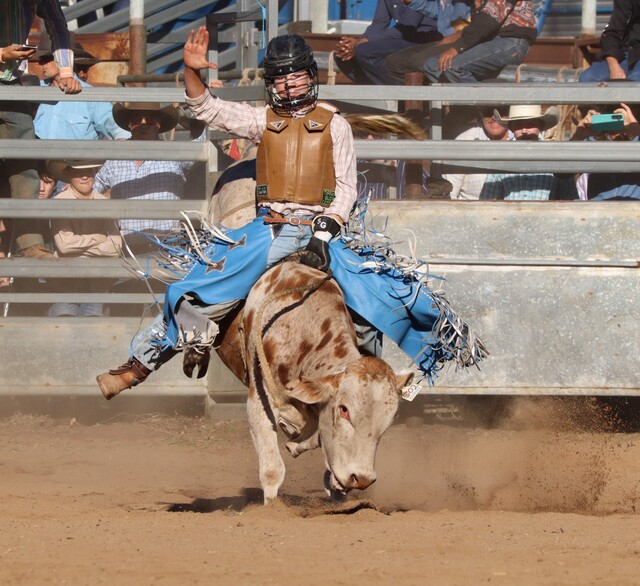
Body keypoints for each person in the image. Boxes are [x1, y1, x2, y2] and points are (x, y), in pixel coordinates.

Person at [97, 29, 485, 399]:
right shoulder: (262, 121)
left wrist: (324, 231)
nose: (288, 85)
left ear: (310, 77)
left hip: (325, 232)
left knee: (378, 298)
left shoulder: (336, 126)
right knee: (193, 289)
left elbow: (346, 188)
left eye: (295, 76)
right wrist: (190, 70)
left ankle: (389, 372)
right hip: (270, 230)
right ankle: (138, 366)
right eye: (280, 78)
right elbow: (209, 109)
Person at [0, 0, 82, 259]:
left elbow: (57, 24)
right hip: (8, 79)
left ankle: (31, 244)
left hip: (9, 85)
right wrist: (2, 54)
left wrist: (66, 72)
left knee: (25, 163)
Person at [92, 102, 192, 254]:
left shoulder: (174, 154)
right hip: (127, 248)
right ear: (130, 125)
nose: (143, 125)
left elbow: (203, 141)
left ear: (158, 124)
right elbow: (92, 190)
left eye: (150, 120)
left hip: (169, 247)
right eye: (136, 120)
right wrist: (74, 189)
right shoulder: (114, 159)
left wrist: (188, 115)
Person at [385, 0, 536, 85]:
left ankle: (483, 108)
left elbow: (487, 21)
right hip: (487, 39)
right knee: (431, 65)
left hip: (511, 41)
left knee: (452, 67)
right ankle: (448, 109)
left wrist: (457, 48)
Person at [46, 159, 122, 317]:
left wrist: (77, 249)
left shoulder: (105, 204)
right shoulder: (59, 203)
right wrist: (98, 238)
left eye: (89, 172)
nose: (85, 177)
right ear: (68, 174)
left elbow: (115, 248)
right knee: (63, 324)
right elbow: (64, 245)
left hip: (96, 282)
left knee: (92, 326)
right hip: (65, 282)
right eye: (78, 172)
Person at [34, 34, 131, 142]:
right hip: (36, 152)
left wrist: (122, 149)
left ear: (65, 59)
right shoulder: (34, 90)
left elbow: (119, 130)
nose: (41, 64)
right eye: (41, 59)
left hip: (76, 153)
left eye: (47, 59)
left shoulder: (92, 96)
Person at [333, 0, 442, 85]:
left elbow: (409, 26)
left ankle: (401, 94)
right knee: (341, 56)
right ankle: (375, 91)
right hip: (402, 38)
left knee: (364, 52)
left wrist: (360, 42)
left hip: (423, 40)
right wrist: (353, 44)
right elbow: (379, 23)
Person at [478, 105, 574, 200]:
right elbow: (487, 200)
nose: (524, 131)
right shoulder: (502, 157)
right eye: (519, 125)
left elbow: (569, 199)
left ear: (540, 125)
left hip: (545, 210)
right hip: (509, 210)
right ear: (511, 127)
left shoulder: (555, 157)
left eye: (530, 124)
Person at [443, 105, 515, 200]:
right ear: (481, 112)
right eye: (488, 111)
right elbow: (450, 192)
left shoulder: (521, 138)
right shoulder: (465, 141)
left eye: (501, 111)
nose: (494, 117)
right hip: (472, 208)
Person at [571, 102, 640, 200]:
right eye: (605, 110)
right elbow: (560, 173)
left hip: (634, 209)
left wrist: (636, 131)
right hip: (598, 209)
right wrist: (578, 136)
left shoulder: (636, 140)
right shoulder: (590, 142)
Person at [579, 0, 640, 83]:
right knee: (587, 78)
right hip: (631, 53)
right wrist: (614, 67)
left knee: (635, 80)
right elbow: (611, 33)